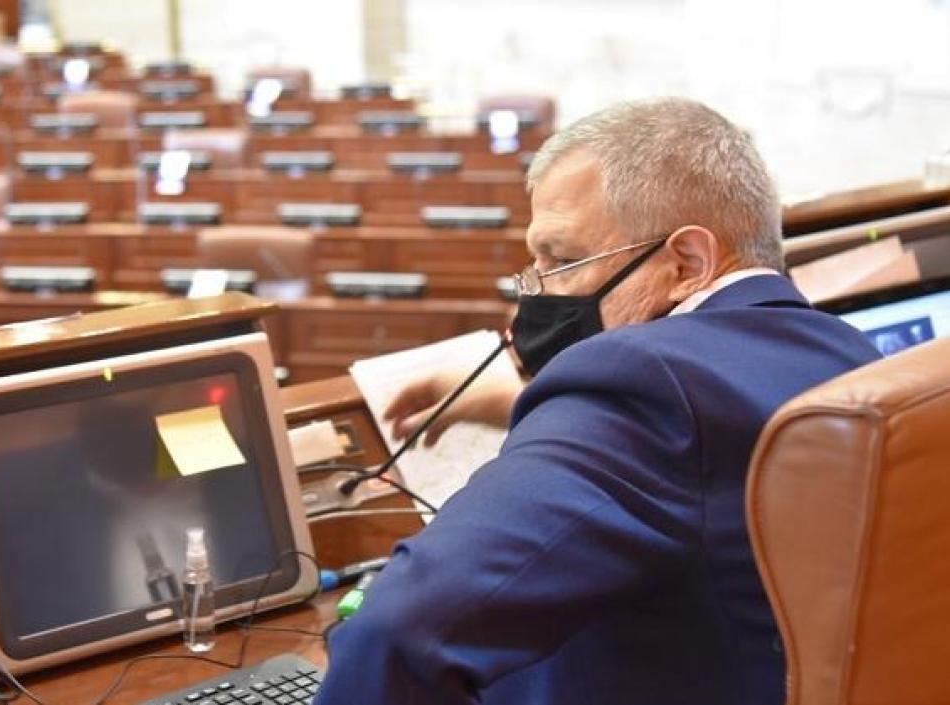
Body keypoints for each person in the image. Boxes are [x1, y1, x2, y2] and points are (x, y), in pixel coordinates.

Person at [314, 98, 882, 705]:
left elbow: (398, 633)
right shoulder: (849, 351)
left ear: (687, 262)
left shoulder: (635, 381)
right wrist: (527, 402)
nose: (536, 293)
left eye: (561, 260)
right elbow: (701, 458)